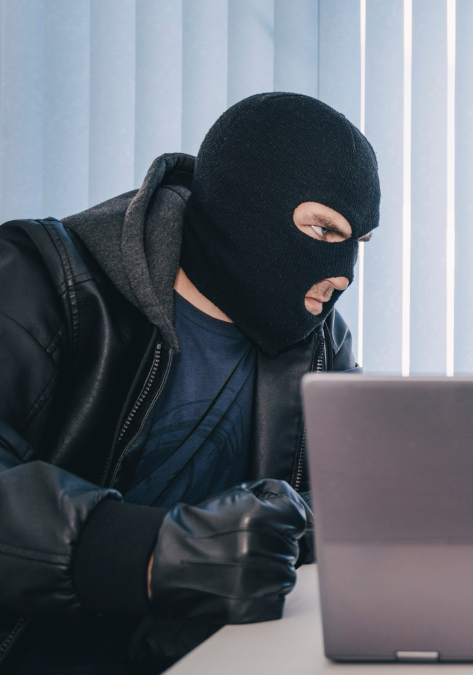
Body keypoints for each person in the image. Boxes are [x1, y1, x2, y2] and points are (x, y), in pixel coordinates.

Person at [0, 92, 379, 673]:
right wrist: (145, 556)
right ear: (248, 204)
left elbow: (350, 500)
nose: (344, 274)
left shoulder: (320, 343)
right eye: (324, 230)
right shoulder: (40, 282)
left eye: (358, 242)